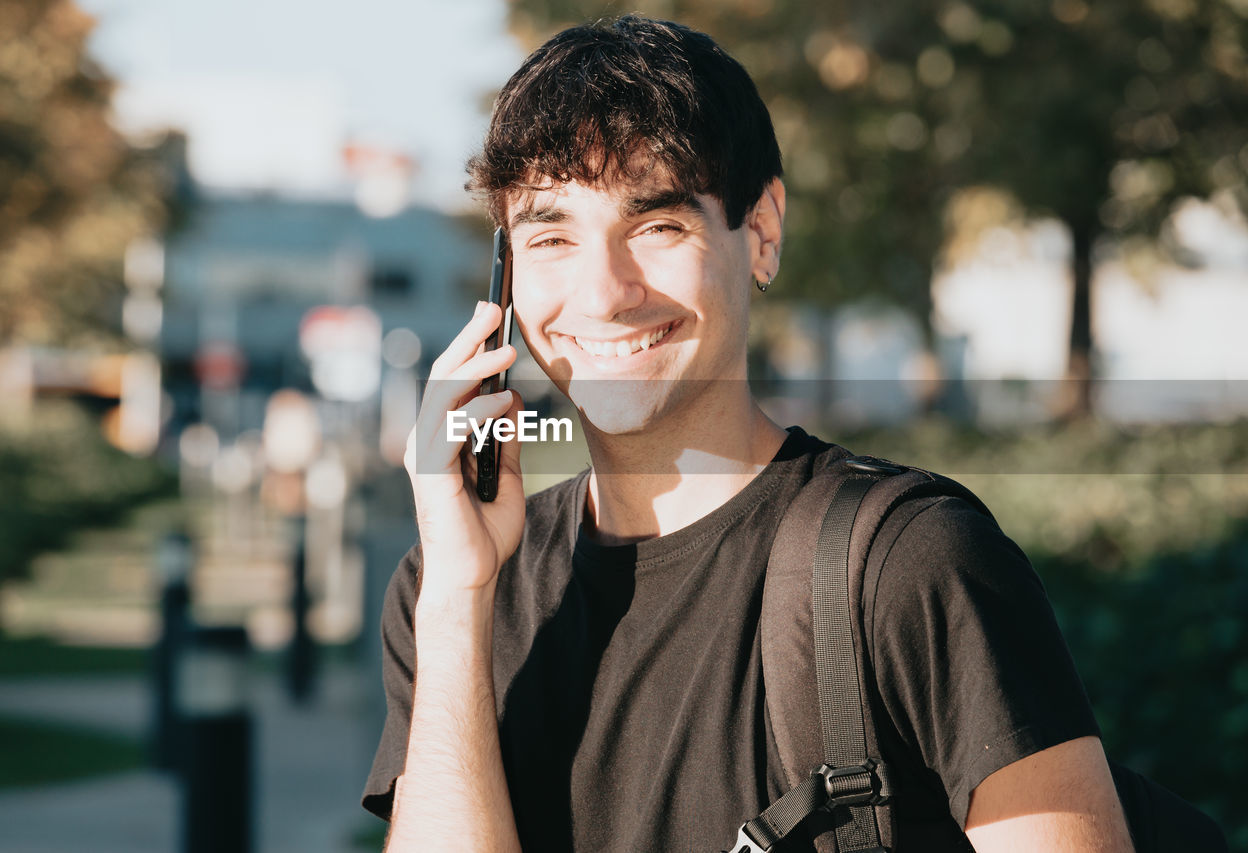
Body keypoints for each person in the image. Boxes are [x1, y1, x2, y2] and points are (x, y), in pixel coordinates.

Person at [363, 14, 1133, 853]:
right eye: (551, 238)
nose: (605, 292)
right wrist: (456, 599)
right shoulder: (453, 590)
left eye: (657, 227)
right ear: (505, 276)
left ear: (760, 232)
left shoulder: (907, 563)